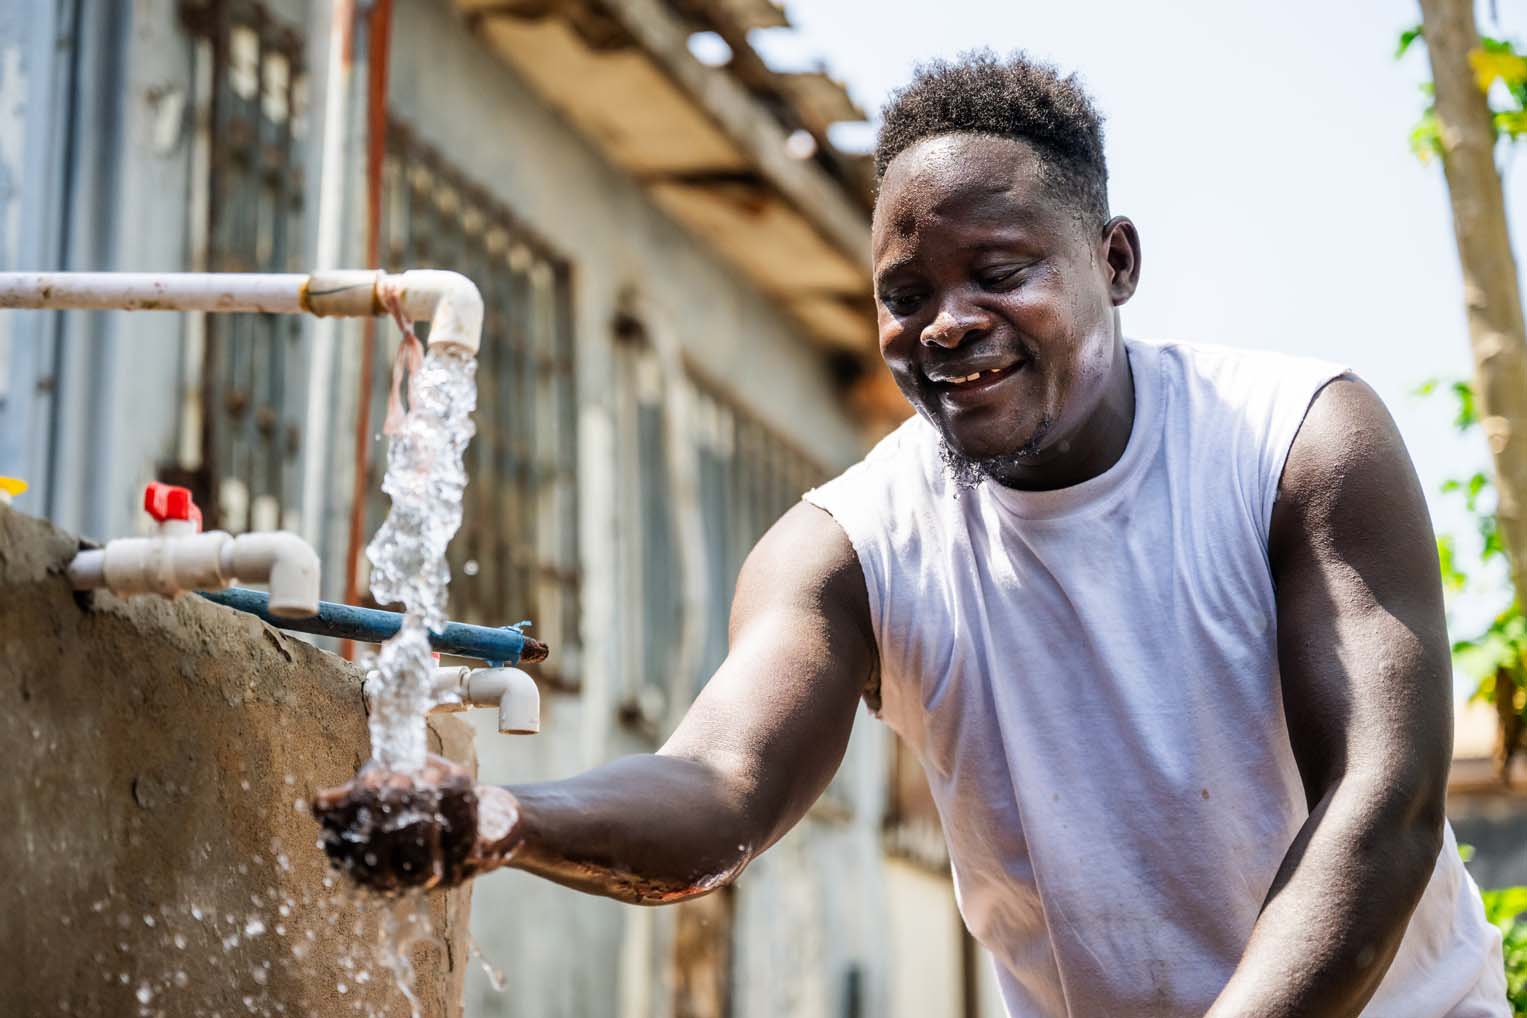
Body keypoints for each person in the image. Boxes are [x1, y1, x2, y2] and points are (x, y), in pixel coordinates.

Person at [315, 51, 1509, 1017]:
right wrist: (511, 819)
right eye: (905, 294)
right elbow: (719, 789)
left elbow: (1381, 805)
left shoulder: (1296, 442)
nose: (946, 324)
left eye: (998, 271)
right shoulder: (850, 548)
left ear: (1116, 261)